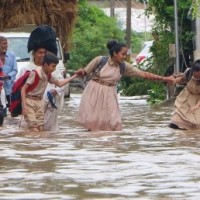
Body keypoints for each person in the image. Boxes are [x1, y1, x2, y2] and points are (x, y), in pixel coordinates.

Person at [75, 40, 174, 131]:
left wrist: (164, 78)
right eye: (123, 54)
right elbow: (85, 72)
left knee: (113, 122)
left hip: (110, 93)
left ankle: (109, 144)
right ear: (114, 53)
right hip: (94, 91)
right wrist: (81, 71)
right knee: (93, 121)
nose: (124, 57)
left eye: (125, 55)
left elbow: (143, 74)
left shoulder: (124, 66)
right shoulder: (99, 60)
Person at [21, 53, 77, 132]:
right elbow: (23, 89)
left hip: (39, 102)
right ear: (46, 65)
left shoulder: (48, 75)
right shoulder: (35, 73)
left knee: (41, 127)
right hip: (29, 101)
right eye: (53, 66)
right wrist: (24, 106)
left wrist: (74, 76)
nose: (54, 69)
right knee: (34, 127)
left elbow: (59, 84)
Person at [170, 59, 200, 130]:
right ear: (194, 70)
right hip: (187, 96)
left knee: (197, 118)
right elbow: (182, 79)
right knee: (180, 111)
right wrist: (174, 81)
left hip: (198, 99)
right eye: (197, 71)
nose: (198, 73)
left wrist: (196, 106)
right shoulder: (188, 72)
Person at [0, 36, 18, 108]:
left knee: (11, 109)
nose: (6, 45)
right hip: (0, 87)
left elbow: (15, 70)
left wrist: (7, 76)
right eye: (4, 44)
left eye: (6, 43)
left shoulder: (11, 55)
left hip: (10, 87)